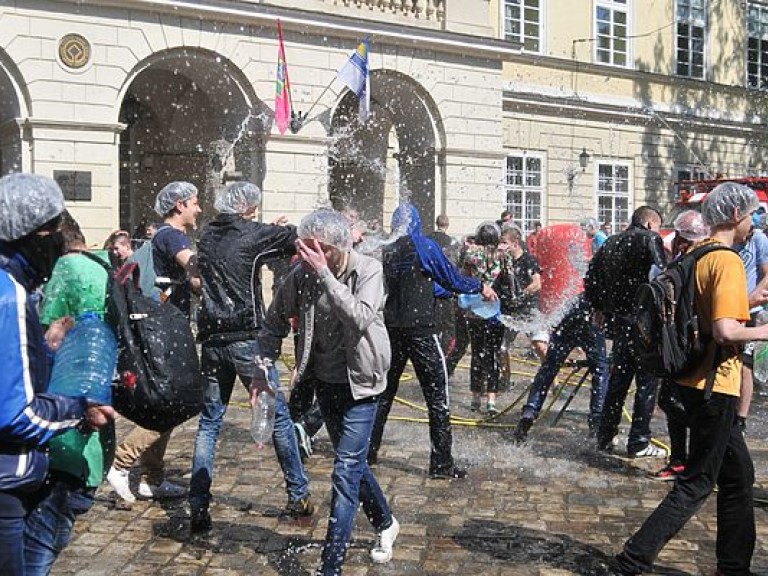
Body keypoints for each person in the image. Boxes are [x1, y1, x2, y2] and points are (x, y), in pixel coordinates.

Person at [610, 182, 765, 576]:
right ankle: (632, 560)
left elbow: (702, 309)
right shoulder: (728, 260)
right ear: (734, 216)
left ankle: (733, 567)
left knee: (739, 476)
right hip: (716, 386)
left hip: (686, 381)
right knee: (696, 483)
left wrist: (751, 299)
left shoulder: (695, 252)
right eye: (751, 215)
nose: (754, 222)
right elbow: (726, 331)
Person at [251, 209, 398, 575]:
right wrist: (261, 369)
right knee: (354, 465)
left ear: (336, 247)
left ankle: (330, 567)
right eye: (304, 250)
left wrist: (326, 276)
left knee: (344, 471)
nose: (307, 257)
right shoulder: (302, 275)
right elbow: (273, 322)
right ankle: (385, 522)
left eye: (316, 250)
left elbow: (360, 317)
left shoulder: (368, 270)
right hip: (327, 384)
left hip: (363, 383)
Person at [0, 173, 114, 576]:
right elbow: (15, 415)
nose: (57, 240)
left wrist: (43, 351)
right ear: (29, 233)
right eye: (52, 228)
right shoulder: (9, 293)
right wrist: (79, 408)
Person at [189, 181, 312, 533]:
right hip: (248, 341)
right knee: (278, 418)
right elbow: (292, 237)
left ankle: (198, 504)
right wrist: (271, 229)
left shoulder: (208, 235)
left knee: (210, 422)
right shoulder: (254, 233)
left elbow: (240, 252)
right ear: (246, 207)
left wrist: (264, 230)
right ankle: (298, 494)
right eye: (253, 208)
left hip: (212, 340)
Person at [369, 203, 497, 479]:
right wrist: (480, 287)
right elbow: (450, 278)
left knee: (384, 393)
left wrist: (441, 291)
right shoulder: (423, 246)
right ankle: (441, 463)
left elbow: (419, 281)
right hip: (421, 332)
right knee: (437, 396)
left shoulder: (390, 249)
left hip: (394, 328)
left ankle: (368, 452)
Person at [24, 212, 117, 574]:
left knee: (35, 550)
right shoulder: (104, 265)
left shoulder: (66, 268)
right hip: (97, 421)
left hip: (65, 436)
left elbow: (44, 341)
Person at [106, 181, 201, 502]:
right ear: (180, 206)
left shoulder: (163, 236)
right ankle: (121, 463)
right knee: (173, 402)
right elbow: (195, 266)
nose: (199, 209)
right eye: (195, 203)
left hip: (165, 328)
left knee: (169, 402)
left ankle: (152, 477)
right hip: (164, 332)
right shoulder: (172, 236)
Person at [585, 206, 668, 458]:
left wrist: (599, 306)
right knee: (647, 381)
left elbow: (591, 277)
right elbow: (661, 276)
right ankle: (639, 441)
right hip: (644, 323)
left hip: (619, 323)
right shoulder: (650, 239)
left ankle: (605, 436)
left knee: (619, 380)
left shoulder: (610, 242)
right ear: (651, 223)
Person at [649, 210, 710, 482]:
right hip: (686, 342)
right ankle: (681, 458)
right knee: (674, 400)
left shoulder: (691, 262)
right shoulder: (692, 260)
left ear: (683, 240)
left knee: (676, 401)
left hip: (688, 344)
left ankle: (698, 451)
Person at [511, 292, 608, 443]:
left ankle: (530, 411)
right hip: (591, 313)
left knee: (548, 368)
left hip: (571, 312)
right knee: (600, 370)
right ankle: (597, 421)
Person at [459, 221, 510, 414]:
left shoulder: (471, 254)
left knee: (477, 353)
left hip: (474, 310)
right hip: (495, 311)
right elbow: (509, 281)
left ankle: (475, 398)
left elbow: (463, 277)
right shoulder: (503, 256)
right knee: (494, 354)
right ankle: (491, 401)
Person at [429, 214, 460, 355]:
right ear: (447, 225)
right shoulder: (452, 243)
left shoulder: (427, 239)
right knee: (448, 326)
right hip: (445, 290)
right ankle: (442, 354)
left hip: (429, 287)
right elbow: (454, 267)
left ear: (436, 223)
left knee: (432, 324)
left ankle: (432, 350)